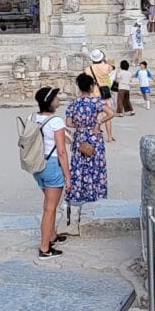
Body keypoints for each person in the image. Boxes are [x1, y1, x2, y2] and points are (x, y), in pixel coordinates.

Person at [31, 86, 71, 258]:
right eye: (56, 97)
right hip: (52, 164)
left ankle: (52, 235)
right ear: (50, 101)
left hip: (37, 164)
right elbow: (62, 152)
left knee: (48, 202)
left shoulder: (32, 117)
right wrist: (68, 177)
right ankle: (45, 248)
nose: (58, 100)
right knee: (50, 208)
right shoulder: (56, 122)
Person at [66, 72, 113, 210]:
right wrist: (99, 121)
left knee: (79, 165)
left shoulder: (73, 103)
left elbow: (68, 123)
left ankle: (79, 193)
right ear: (91, 87)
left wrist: (80, 126)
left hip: (80, 136)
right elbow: (111, 113)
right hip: (94, 135)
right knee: (95, 165)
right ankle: (95, 192)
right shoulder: (96, 102)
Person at [86, 50, 115, 142]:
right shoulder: (106, 67)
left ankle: (96, 132)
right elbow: (112, 67)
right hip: (104, 93)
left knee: (95, 115)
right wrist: (105, 59)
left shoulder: (88, 69)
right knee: (108, 114)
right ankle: (109, 136)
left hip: (93, 93)